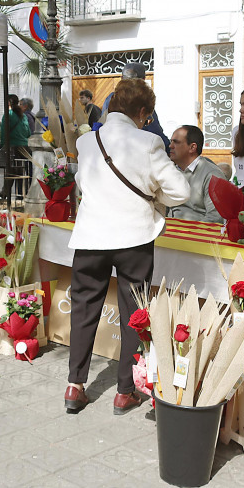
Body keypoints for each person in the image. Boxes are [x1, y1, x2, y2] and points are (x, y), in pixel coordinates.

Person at [64, 79, 190, 415]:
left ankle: (74, 386)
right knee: (133, 313)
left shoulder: (87, 141)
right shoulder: (149, 142)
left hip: (91, 237)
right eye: (147, 116)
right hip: (134, 237)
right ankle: (124, 391)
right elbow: (181, 191)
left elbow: (82, 183)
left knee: (83, 310)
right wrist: (154, 197)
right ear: (143, 112)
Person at [103, 63, 169, 150]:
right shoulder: (143, 101)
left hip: (109, 148)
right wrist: (170, 147)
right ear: (143, 80)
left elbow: (103, 124)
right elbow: (155, 131)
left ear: (121, 78)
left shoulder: (111, 98)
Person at [166, 125, 225, 223]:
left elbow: (215, 217)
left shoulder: (212, 175)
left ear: (192, 147)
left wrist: (189, 231)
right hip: (170, 228)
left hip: (197, 231)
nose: (170, 146)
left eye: (176, 142)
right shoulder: (171, 171)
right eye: (171, 141)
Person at [0, 94, 31, 199]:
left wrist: (3, 145)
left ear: (8, 102)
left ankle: (5, 194)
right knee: (22, 171)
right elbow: (28, 133)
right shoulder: (24, 116)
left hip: (12, 147)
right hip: (25, 147)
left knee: (11, 171)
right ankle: (21, 194)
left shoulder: (8, 115)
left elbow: (3, 133)